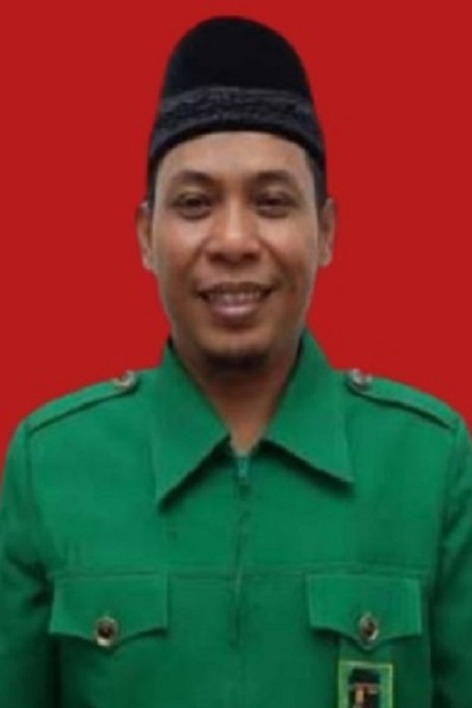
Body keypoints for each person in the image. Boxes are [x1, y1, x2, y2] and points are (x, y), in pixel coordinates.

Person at [0, 14, 471, 708]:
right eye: (194, 203)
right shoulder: (52, 465)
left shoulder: (428, 463)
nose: (232, 240)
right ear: (145, 236)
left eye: (272, 202)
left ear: (326, 231)